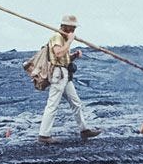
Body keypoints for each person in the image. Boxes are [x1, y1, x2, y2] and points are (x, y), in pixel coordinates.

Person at [38, 14, 101, 144]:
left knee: (76, 103)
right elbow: (58, 53)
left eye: (74, 27)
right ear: (65, 26)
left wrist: (74, 55)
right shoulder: (57, 37)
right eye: (72, 27)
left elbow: (63, 58)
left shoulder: (63, 38)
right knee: (52, 104)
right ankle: (44, 135)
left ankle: (84, 130)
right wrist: (70, 41)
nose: (74, 29)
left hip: (65, 74)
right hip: (58, 75)